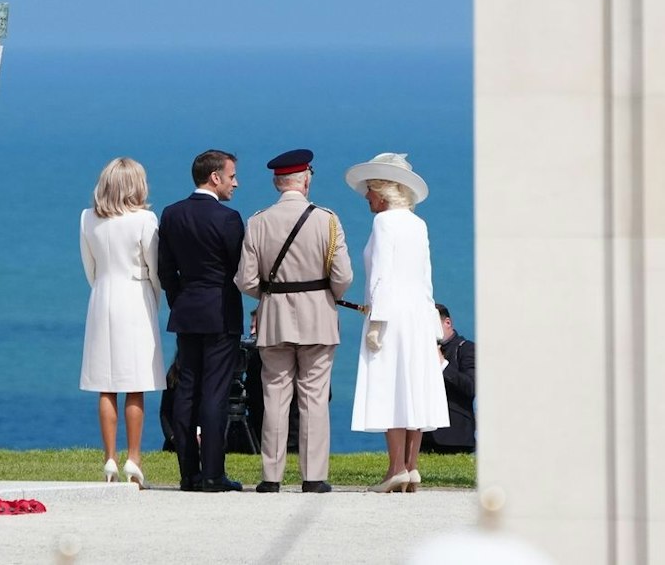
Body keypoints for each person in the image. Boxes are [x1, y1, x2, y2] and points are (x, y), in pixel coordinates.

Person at [235, 148, 353, 494]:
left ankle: (271, 476)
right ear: (306, 179)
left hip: (275, 315)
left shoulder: (258, 221)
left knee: (274, 396)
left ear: (277, 182)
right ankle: (312, 476)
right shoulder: (327, 219)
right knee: (314, 397)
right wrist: (325, 294)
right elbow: (343, 275)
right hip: (318, 314)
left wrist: (271, 295)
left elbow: (246, 280)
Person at [345, 152, 449, 493]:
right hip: (418, 313)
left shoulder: (384, 222)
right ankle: (412, 467)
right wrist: (434, 328)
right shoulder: (419, 225)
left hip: (391, 314)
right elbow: (426, 278)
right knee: (414, 388)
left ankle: (394, 469)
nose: (366, 197)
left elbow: (381, 276)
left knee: (391, 386)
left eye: (370, 191)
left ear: (384, 191)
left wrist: (376, 320)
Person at [156, 150, 245, 492]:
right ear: (215, 178)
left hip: (187, 310)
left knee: (186, 391)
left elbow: (166, 270)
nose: (236, 182)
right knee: (215, 394)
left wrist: (180, 301)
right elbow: (239, 268)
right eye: (232, 175)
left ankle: (188, 473)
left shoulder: (172, 214)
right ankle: (212, 474)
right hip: (220, 312)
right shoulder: (228, 219)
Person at [79, 157, 164, 487]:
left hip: (102, 296)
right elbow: (154, 267)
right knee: (135, 383)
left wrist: (102, 288)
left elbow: (90, 268)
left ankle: (109, 458)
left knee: (106, 383)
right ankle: (134, 457)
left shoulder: (88, 218)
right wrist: (153, 298)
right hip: (136, 295)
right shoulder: (145, 219)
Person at [421, 303, 476, 454]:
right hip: (422, 438)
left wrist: (443, 364)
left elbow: (471, 388)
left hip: (456, 438)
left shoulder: (467, 349)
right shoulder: (420, 352)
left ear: (447, 323)